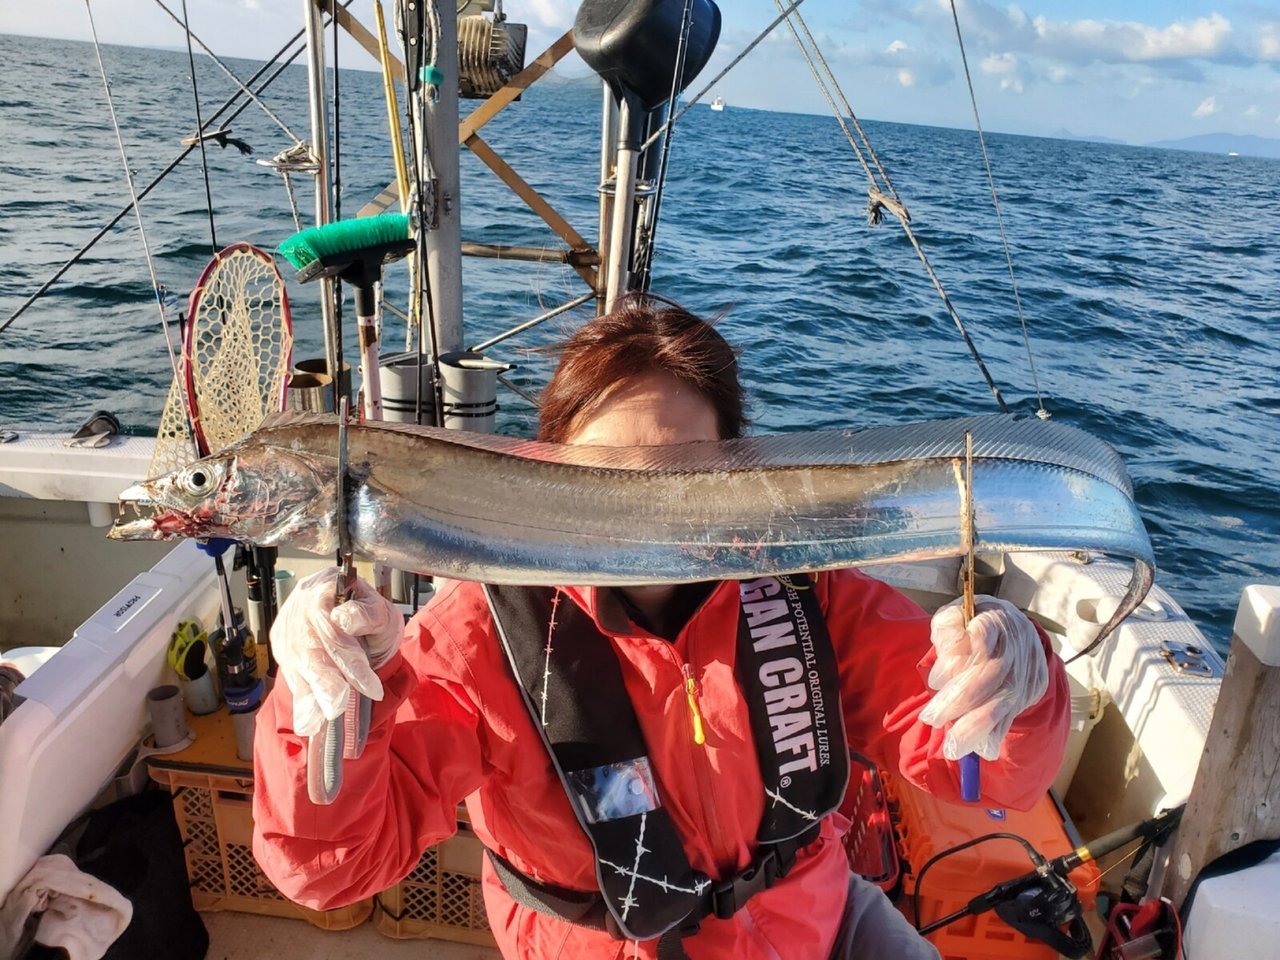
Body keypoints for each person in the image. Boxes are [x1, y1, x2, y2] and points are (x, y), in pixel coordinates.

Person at [253, 294, 1069, 960]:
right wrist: (323, 700)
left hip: (811, 915)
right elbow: (334, 868)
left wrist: (1013, 682)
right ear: (546, 471)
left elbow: (988, 776)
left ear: (732, 474)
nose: (640, 513)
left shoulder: (806, 588)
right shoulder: (478, 637)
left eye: (682, 476)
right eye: (605, 480)